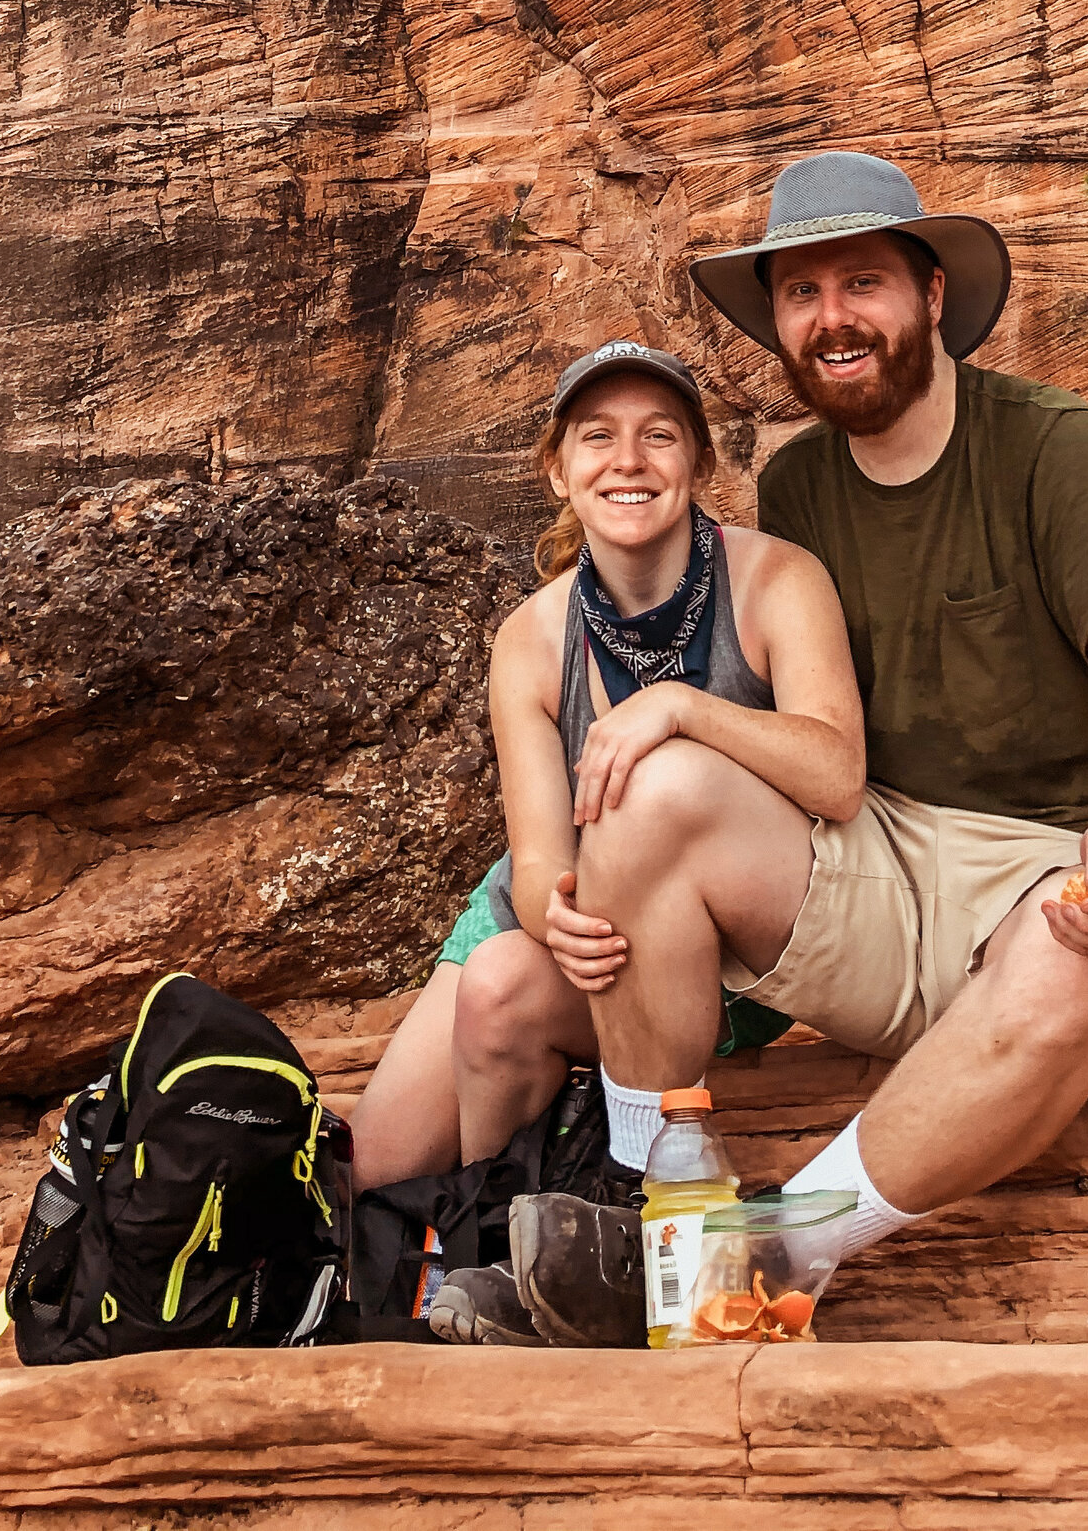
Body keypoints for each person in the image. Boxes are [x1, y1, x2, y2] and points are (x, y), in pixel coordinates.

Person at [529, 150, 1088, 1289]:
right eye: (800, 293)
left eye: (860, 283)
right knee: (648, 793)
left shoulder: (1055, 451)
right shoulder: (801, 485)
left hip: (1066, 870)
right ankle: (645, 1210)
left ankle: (769, 1253)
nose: (829, 318)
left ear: (932, 296)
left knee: (1068, 964)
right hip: (885, 869)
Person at [347, 336, 863, 1224]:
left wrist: (683, 706)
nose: (629, 461)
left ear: (698, 460)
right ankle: (504, 1236)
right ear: (557, 468)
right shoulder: (533, 638)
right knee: (377, 1167)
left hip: (721, 938)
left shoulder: (776, 580)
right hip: (573, 917)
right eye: (597, 436)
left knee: (644, 815)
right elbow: (539, 856)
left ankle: (609, 1187)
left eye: (659, 435)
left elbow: (839, 775)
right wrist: (560, 918)